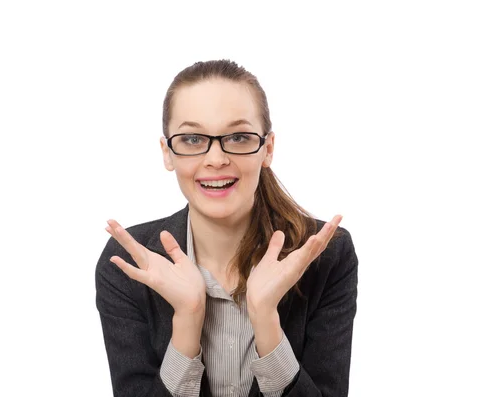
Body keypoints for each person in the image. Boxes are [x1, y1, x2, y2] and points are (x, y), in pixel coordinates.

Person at [95, 59, 358, 397]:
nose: (216, 158)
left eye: (237, 137)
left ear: (268, 148)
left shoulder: (326, 255)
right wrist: (187, 322)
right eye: (192, 138)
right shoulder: (131, 262)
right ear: (167, 153)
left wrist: (266, 320)